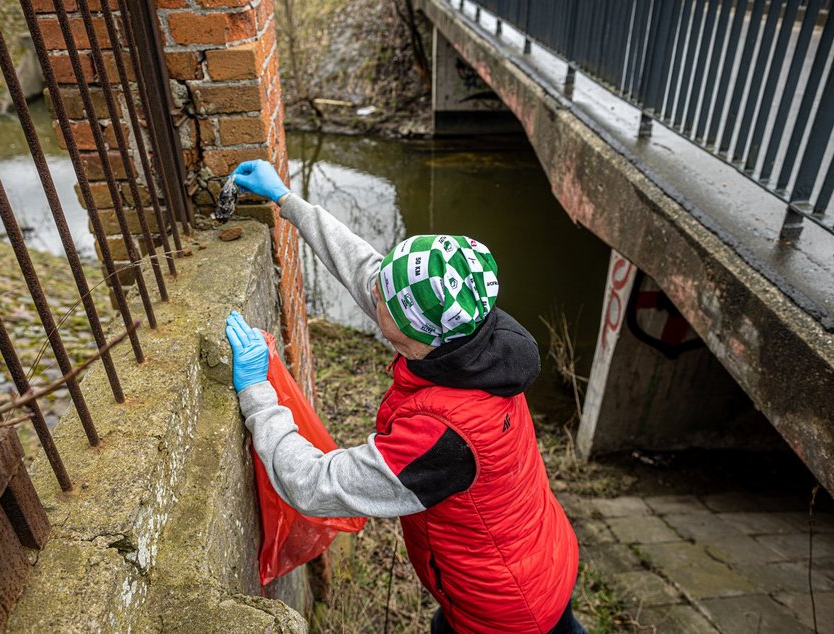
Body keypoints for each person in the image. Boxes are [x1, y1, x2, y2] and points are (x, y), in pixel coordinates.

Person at [224, 160, 584, 634]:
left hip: (505, 612)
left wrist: (257, 394)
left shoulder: (444, 436)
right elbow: (371, 274)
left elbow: (312, 484)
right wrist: (289, 202)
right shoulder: (474, 333)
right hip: (537, 558)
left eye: (390, 326)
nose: (374, 300)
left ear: (423, 338)